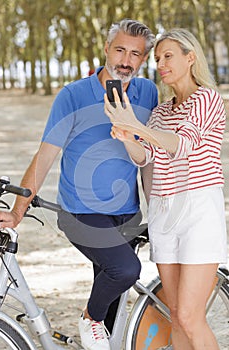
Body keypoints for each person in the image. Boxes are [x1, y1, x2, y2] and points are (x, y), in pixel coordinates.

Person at [0, 19, 158, 350]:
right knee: (126, 270)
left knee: (112, 304)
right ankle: (88, 317)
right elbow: (44, 158)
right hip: (80, 214)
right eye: (120, 50)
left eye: (136, 54)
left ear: (144, 59)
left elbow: (148, 157)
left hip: (127, 214)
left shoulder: (148, 93)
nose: (126, 61)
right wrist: (16, 213)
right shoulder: (72, 95)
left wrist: (156, 210)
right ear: (106, 49)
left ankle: (100, 335)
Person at [104, 28, 227, 350]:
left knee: (190, 315)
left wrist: (138, 127)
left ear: (191, 58)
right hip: (163, 210)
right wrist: (129, 136)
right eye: (157, 58)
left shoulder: (208, 99)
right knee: (174, 313)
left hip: (198, 211)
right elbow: (148, 156)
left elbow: (182, 144)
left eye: (168, 56)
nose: (160, 63)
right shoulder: (160, 111)